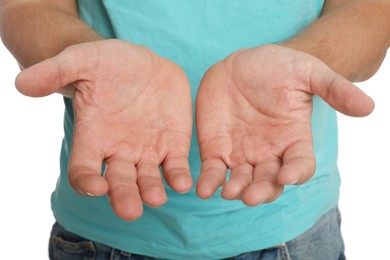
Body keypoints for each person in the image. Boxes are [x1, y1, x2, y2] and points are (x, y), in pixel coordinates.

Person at [0, 0, 388, 259]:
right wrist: (81, 58)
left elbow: (369, 9)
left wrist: (303, 64)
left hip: (294, 226)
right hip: (100, 230)